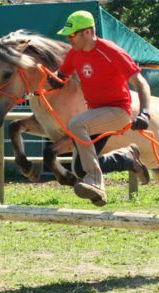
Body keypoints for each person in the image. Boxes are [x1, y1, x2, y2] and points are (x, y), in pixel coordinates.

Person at [50, 10, 151, 206]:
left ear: (87, 32)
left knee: (76, 124)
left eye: (72, 35)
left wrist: (145, 113)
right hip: (96, 115)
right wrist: (53, 79)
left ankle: (96, 182)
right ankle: (127, 157)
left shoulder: (112, 51)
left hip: (118, 111)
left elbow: (141, 83)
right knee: (79, 169)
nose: (69, 40)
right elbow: (60, 75)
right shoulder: (74, 54)